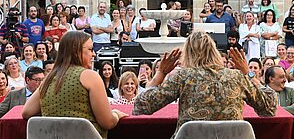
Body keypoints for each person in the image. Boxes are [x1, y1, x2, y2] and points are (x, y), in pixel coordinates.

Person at [132, 31, 277, 138]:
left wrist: (161, 73)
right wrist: (248, 73)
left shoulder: (183, 77)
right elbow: (269, 107)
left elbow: (142, 105)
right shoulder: (236, 76)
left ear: (187, 53)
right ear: (214, 51)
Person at [22, 31, 128, 139]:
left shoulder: (49, 79)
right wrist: (116, 114)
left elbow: (27, 112)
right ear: (76, 52)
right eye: (90, 49)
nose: (94, 54)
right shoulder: (90, 76)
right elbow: (108, 122)